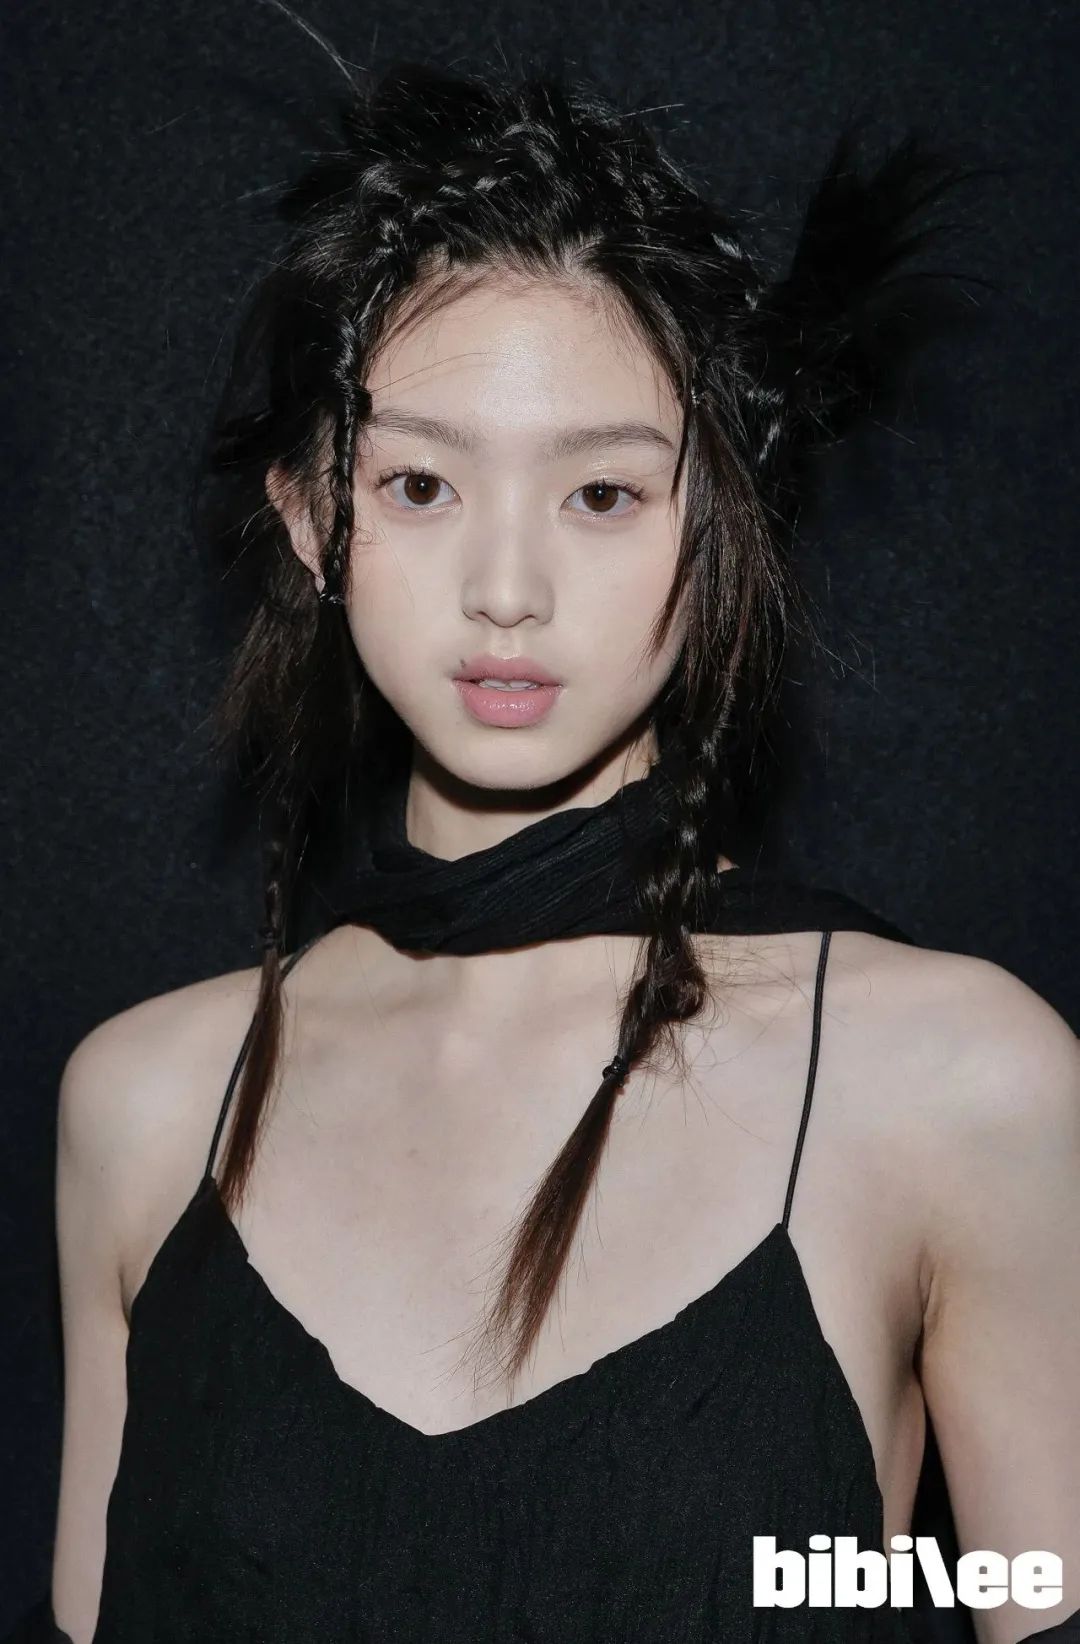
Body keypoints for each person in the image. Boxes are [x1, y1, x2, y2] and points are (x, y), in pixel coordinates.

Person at [10, 42, 1079, 1644]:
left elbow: (1032, 1592)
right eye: (420, 483)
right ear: (310, 518)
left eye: (601, 496)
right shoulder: (147, 1106)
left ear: (718, 526)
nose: (505, 588)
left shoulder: (957, 1084)